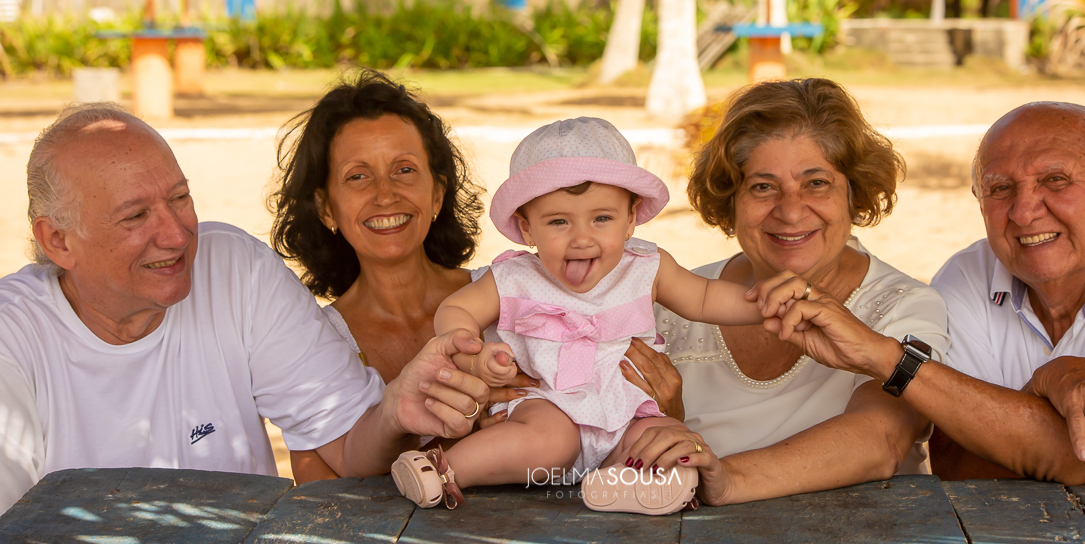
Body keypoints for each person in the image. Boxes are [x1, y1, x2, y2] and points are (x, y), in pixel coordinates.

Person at [0, 103, 488, 515]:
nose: (176, 235)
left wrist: (395, 410)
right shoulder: (13, 333)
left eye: (180, 197)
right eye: (136, 216)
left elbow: (346, 444)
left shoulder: (234, 268)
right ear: (58, 241)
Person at [754, 102, 1085, 488]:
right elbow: (953, 463)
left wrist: (1007, 417)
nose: (1024, 211)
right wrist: (1046, 386)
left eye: (1056, 180)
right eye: (1001, 188)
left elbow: (1076, 455)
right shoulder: (971, 272)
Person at [578, 80, 951, 506]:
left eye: (816, 183)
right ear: (730, 201)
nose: (790, 211)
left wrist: (726, 477)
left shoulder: (904, 306)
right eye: (762, 186)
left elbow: (879, 440)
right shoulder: (667, 304)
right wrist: (666, 424)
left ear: (855, 193)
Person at [390, 117, 766, 514]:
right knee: (552, 444)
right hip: (546, 405)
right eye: (558, 222)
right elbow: (457, 308)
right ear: (527, 227)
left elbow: (706, 297)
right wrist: (472, 354)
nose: (582, 238)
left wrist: (768, 305)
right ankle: (444, 468)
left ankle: (624, 481)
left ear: (631, 218)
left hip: (626, 410)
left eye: (602, 218)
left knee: (669, 438)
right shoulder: (515, 277)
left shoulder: (647, 267)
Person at [270, 71, 535, 482]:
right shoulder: (312, 345)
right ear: (326, 209)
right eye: (357, 176)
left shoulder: (514, 294)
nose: (385, 194)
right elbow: (322, 500)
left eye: (405, 170)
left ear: (436, 194)